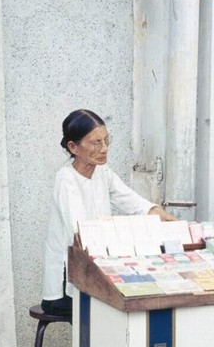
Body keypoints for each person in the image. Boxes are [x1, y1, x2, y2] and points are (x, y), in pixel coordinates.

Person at [42, 109, 178, 316]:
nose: (104, 148)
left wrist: (160, 214)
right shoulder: (66, 179)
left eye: (106, 140)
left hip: (94, 271)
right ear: (73, 147)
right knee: (111, 312)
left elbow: (130, 200)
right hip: (65, 283)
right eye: (96, 143)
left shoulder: (102, 172)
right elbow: (79, 230)